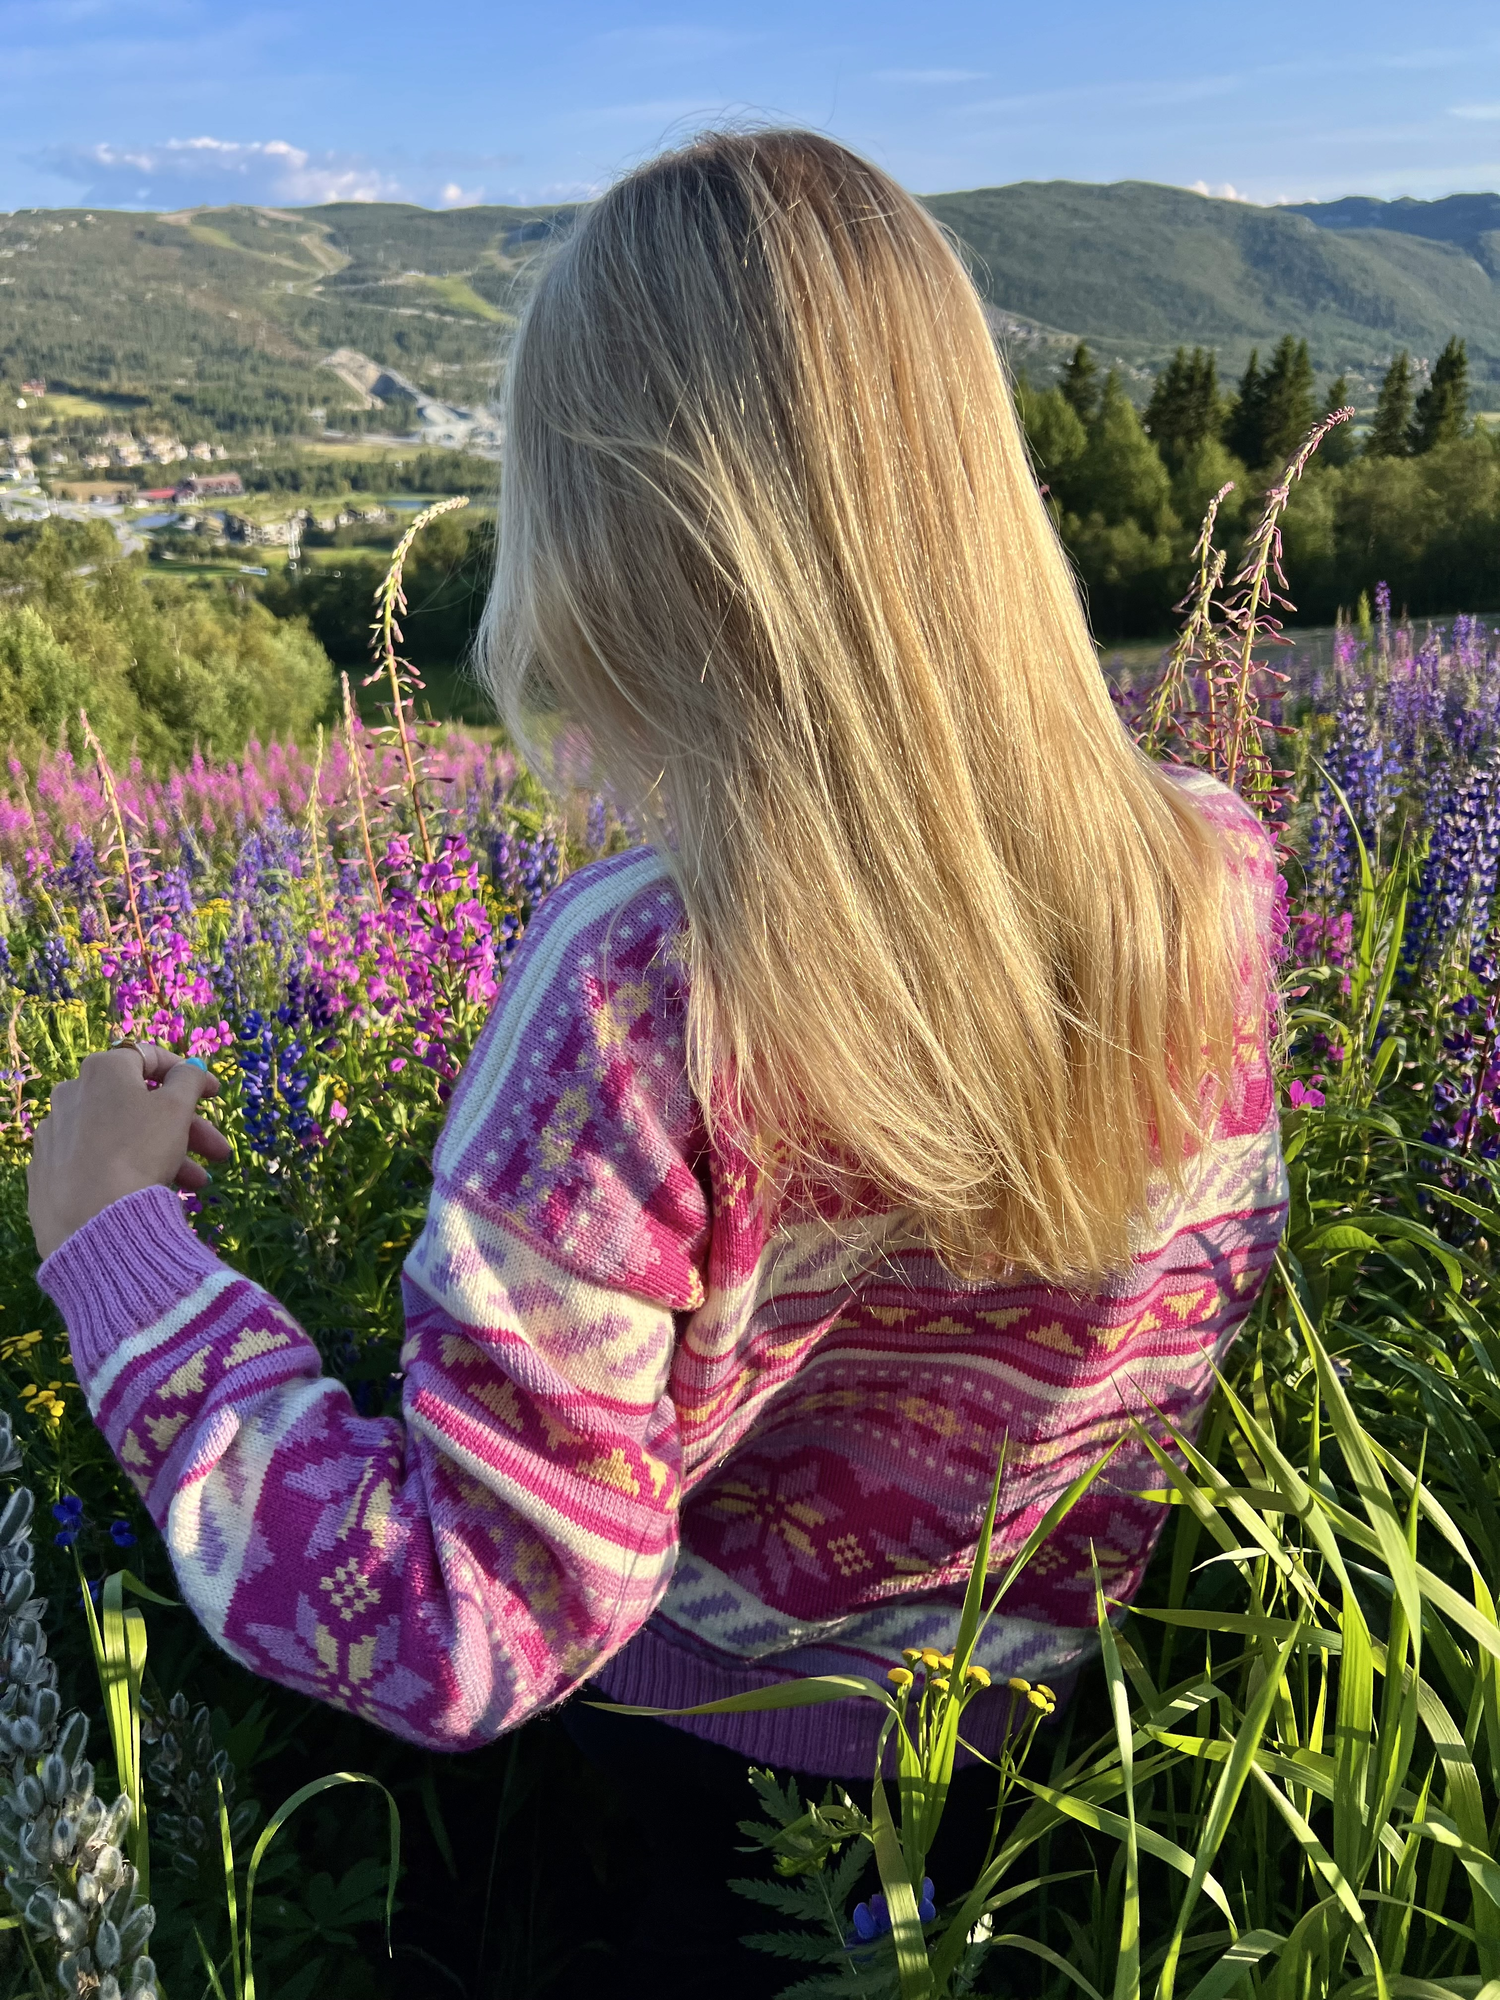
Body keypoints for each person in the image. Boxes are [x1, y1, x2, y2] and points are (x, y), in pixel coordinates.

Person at [28, 130, 1284, 1803]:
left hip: (702, 1765)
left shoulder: (646, 996)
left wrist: (112, 1248)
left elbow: (461, 1623)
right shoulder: (1211, 872)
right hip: (1045, 1759)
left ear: (614, 557)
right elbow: (1185, 1316)